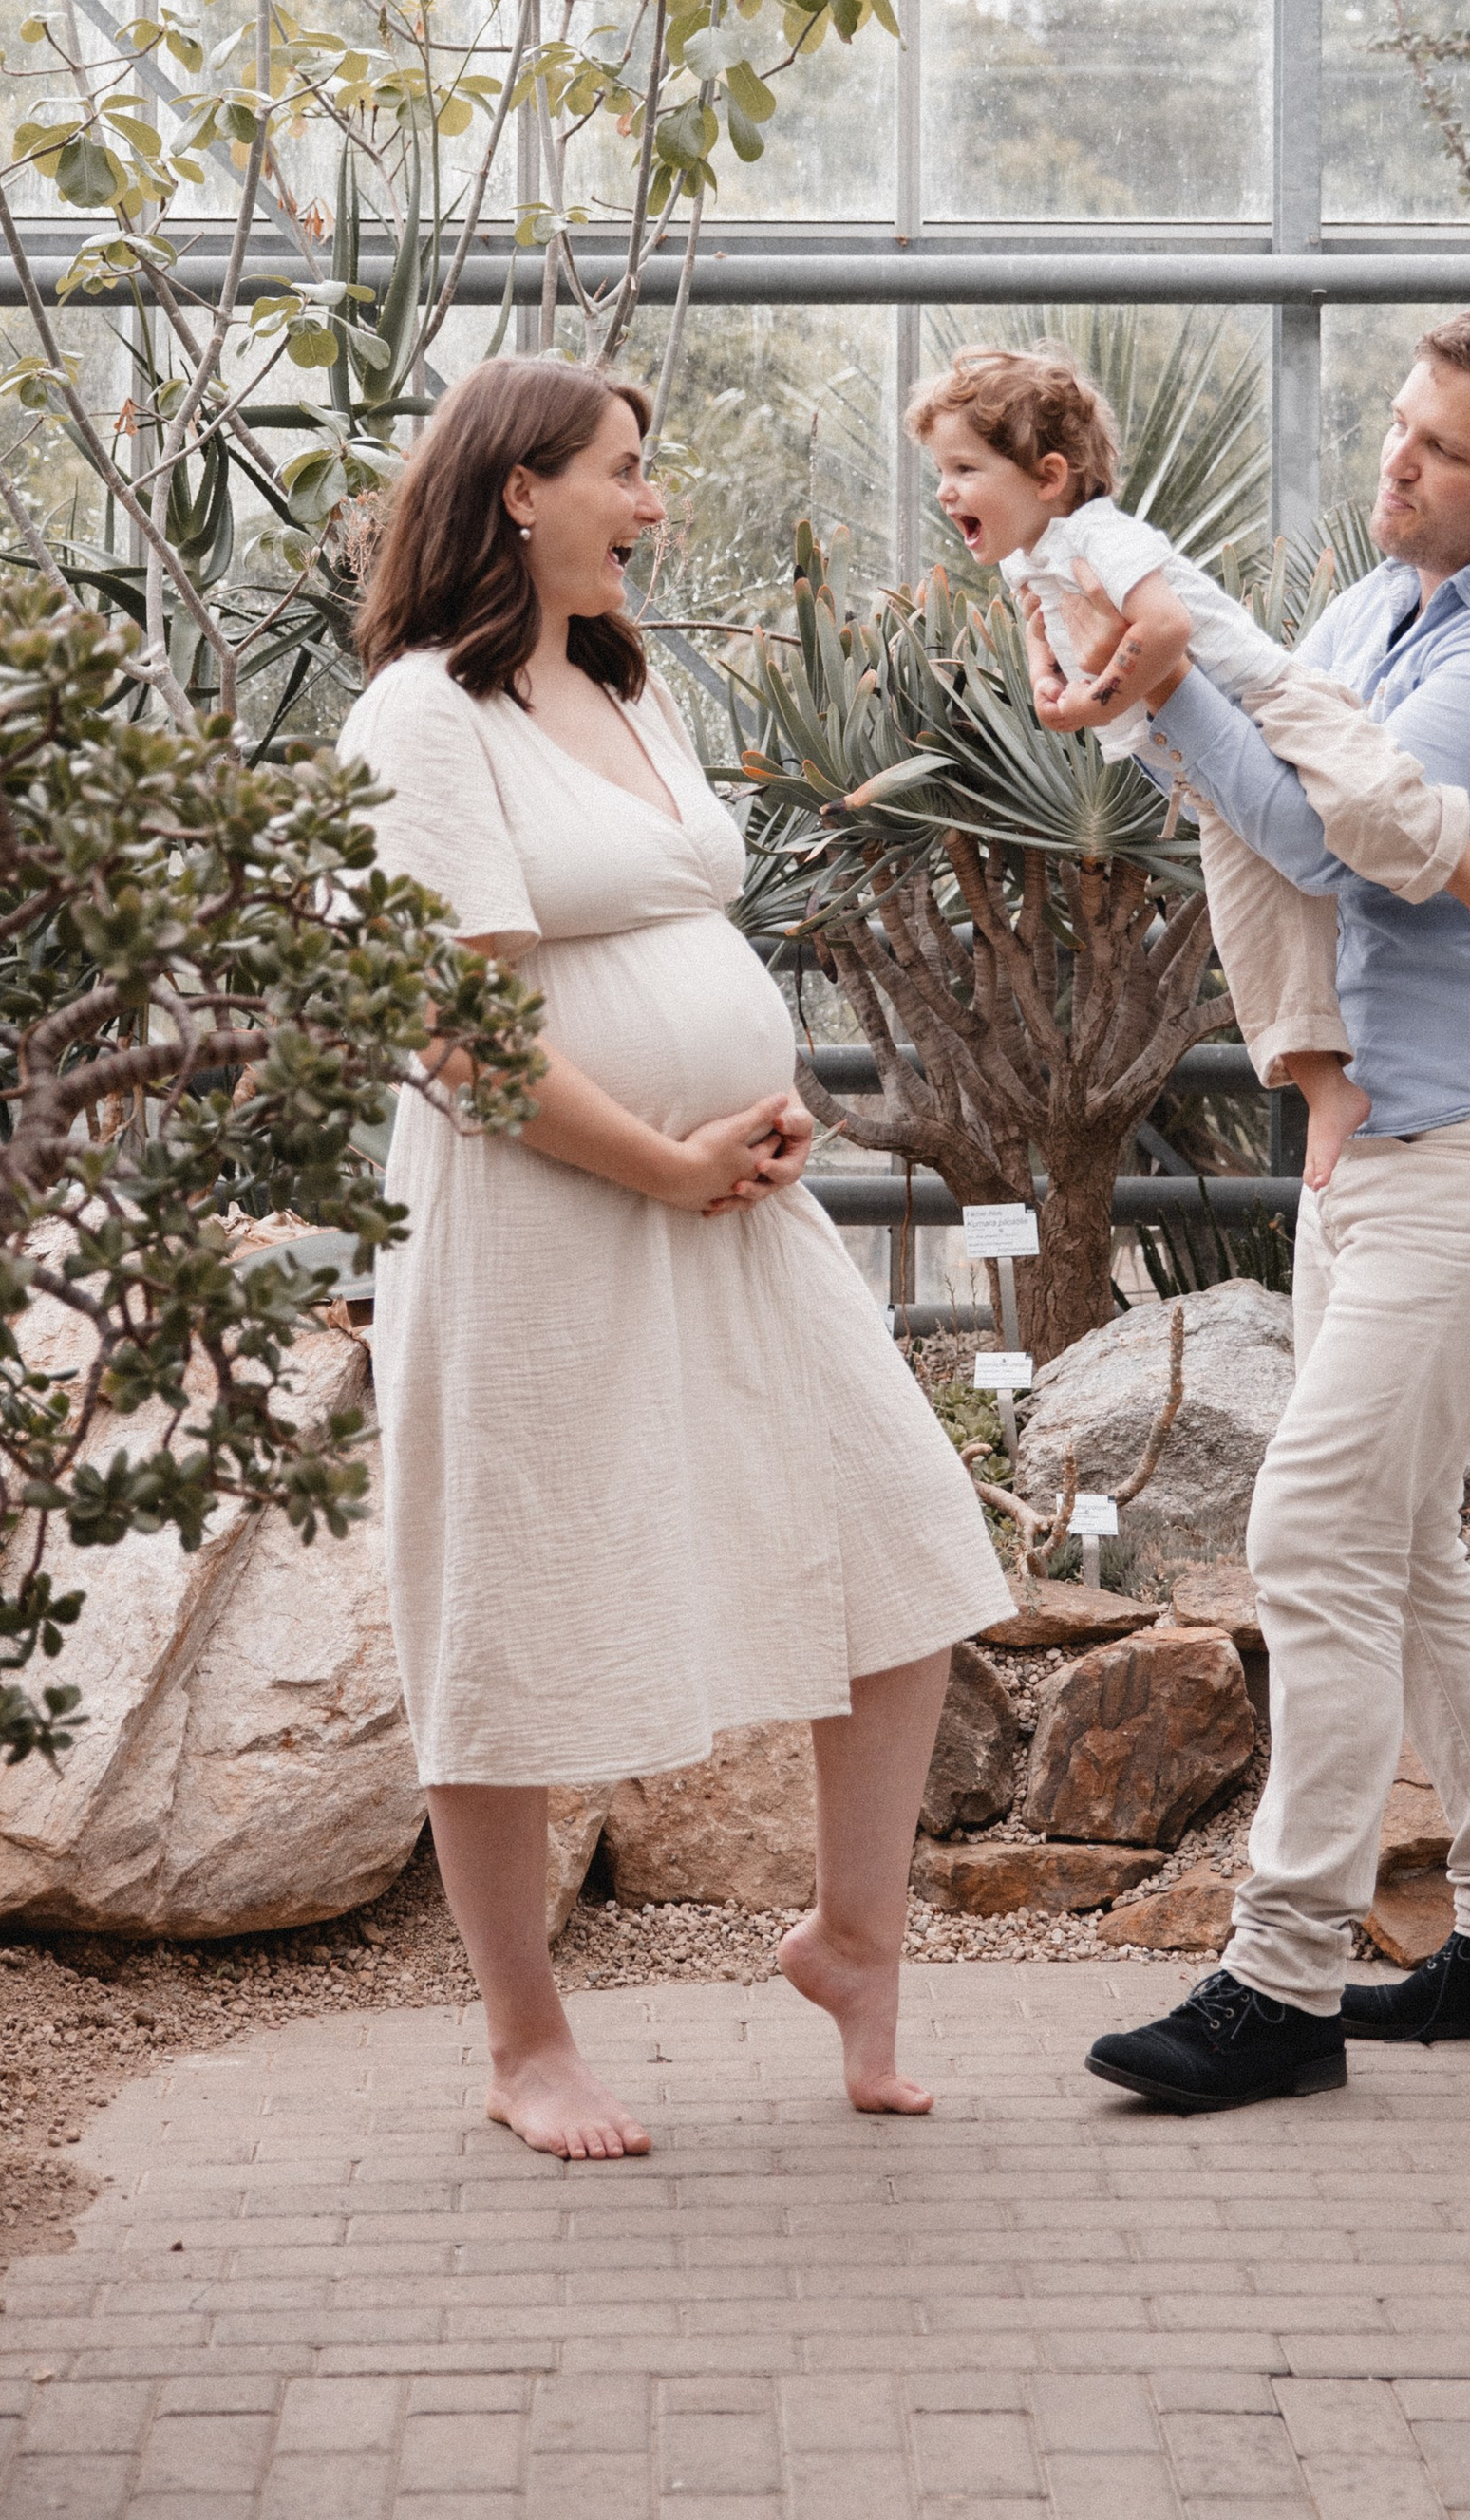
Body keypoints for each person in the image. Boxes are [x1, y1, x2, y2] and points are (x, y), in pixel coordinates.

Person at [339, 355, 1010, 2160]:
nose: (653, 504)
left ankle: (854, 1941)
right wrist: (660, 1158)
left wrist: (765, 1103)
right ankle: (523, 2041)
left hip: (726, 1199)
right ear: (516, 493)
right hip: (542, 1215)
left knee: (903, 1540)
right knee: (511, 1596)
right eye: (626, 473)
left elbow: (676, 932)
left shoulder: (624, 683)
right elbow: (453, 1024)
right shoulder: (424, 717)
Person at [1025, 311, 1470, 2116]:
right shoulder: (1378, 609)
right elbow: (1240, 772)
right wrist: (1144, 688)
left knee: (1310, 1526)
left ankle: (1281, 1978)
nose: (1397, 465)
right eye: (1396, 430)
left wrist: (1164, 680)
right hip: (1373, 1149)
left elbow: (1327, 840)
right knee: (1406, 1542)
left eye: (1442, 453)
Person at [906, 345, 1470, 1189]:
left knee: (1374, 803)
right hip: (1195, 752)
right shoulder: (1032, 562)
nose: (946, 489)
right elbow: (1044, 644)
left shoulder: (1100, 535)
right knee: (1251, 921)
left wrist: (1099, 698)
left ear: (1049, 474)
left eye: (963, 468)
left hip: (1268, 705)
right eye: (940, 471)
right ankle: (1326, 1088)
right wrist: (1052, 694)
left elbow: (1165, 629)